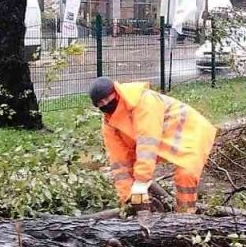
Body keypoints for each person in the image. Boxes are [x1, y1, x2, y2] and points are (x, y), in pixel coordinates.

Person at [89, 76, 217, 214]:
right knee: (134, 172)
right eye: (100, 103)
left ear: (116, 91)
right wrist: (127, 196)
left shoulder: (144, 101)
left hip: (191, 130)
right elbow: (119, 161)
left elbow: (147, 144)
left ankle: (186, 215)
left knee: (185, 174)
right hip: (163, 137)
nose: (106, 104)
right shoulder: (109, 123)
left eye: (107, 98)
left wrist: (141, 181)